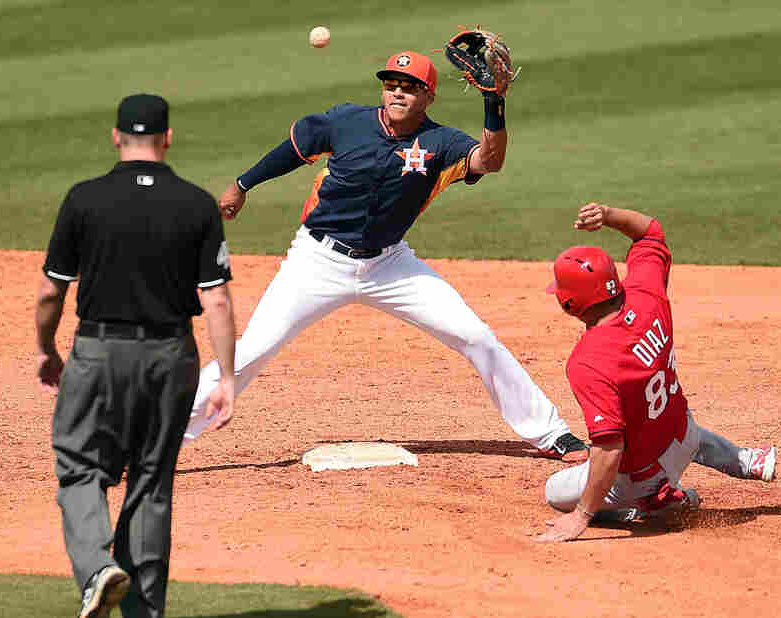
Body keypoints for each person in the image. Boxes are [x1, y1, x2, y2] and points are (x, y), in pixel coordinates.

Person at [183, 50, 588, 461]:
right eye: (391, 84)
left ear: (428, 97)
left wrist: (493, 103)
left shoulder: (441, 143)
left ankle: (551, 433)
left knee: (476, 336)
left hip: (390, 265)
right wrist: (242, 184)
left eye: (410, 87)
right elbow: (293, 147)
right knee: (250, 351)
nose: (398, 93)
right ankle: (156, 441)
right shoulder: (347, 122)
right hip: (317, 262)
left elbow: (490, 160)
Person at [34, 93, 237, 617]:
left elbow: (51, 293)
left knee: (81, 467)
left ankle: (97, 569)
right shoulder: (196, 204)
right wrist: (229, 377)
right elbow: (216, 296)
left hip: (98, 352)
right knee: (151, 480)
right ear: (167, 138)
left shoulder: (84, 199)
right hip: (172, 355)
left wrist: (47, 349)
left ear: (116, 136)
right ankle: (144, 613)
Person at [535, 202, 776, 543]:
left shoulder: (588, 362)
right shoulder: (646, 292)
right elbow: (650, 231)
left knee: (555, 492)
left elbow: (609, 450)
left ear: (569, 304)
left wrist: (581, 516)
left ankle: (655, 504)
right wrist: (607, 215)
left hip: (646, 475)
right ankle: (744, 460)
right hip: (684, 433)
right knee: (671, 420)